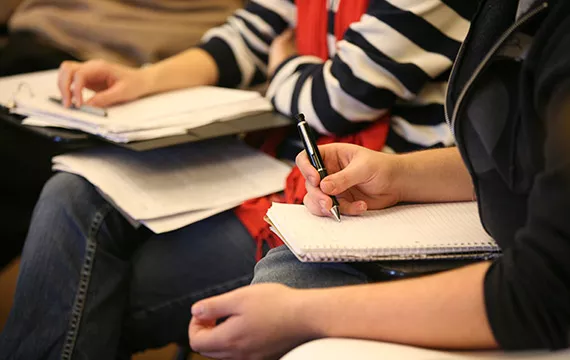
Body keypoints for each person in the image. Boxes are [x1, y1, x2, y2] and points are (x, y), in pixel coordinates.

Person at [0, 0, 475, 359]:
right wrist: (143, 80)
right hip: (282, 167)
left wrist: (283, 67)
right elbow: (245, 36)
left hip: (371, 197)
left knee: (73, 297)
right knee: (72, 189)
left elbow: (336, 98)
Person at [186, 0, 570, 358]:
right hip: (496, 232)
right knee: (287, 269)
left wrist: (301, 314)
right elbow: (526, 158)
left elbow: (547, 291)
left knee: (288, 279)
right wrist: (399, 175)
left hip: (521, 280)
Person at [0, 0, 243, 269]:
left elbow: (246, 41)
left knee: (68, 194)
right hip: (31, 48)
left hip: (123, 65)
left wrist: (146, 79)